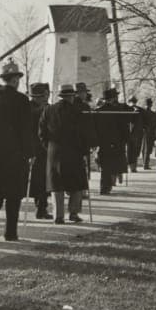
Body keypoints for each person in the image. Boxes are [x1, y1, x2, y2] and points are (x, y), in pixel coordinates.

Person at [0, 60, 34, 241]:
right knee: (14, 193)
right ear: (16, 80)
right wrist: (30, 153)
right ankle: (11, 232)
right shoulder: (22, 100)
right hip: (16, 154)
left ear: (3, 79)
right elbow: (27, 129)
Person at [40, 83, 92, 223]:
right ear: (72, 96)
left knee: (57, 185)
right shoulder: (78, 111)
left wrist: (49, 147)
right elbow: (83, 133)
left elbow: (42, 132)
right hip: (73, 152)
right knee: (76, 184)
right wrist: (84, 149)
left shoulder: (48, 110)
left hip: (54, 152)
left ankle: (58, 215)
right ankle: (73, 213)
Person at [93, 86, 131, 195]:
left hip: (102, 141)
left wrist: (95, 141)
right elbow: (124, 126)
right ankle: (107, 186)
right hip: (116, 142)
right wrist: (126, 139)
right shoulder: (118, 111)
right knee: (112, 164)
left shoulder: (97, 111)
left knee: (105, 165)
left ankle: (105, 186)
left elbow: (94, 127)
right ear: (113, 98)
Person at [27, 83, 54, 219]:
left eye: (46, 95)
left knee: (44, 179)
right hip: (34, 148)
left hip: (45, 147)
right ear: (35, 97)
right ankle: (40, 207)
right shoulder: (30, 108)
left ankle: (42, 207)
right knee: (38, 179)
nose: (45, 98)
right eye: (42, 96)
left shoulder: (47, 107)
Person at [125, 96, 146, 173]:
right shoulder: (141, 110)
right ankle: (133, 166)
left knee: (130, 150)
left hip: (131, 133)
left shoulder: (126, 109)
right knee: (135, 150)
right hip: (137, 133)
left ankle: (132, 166)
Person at [141, 98, 156, 169]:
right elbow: (155, 124)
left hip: (142, 132)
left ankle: (144, 163)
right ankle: (146, 164)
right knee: (148, 149)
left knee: (143, 148)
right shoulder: (153, 114)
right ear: (151, 104)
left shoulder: (141, 113)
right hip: (150, 132)